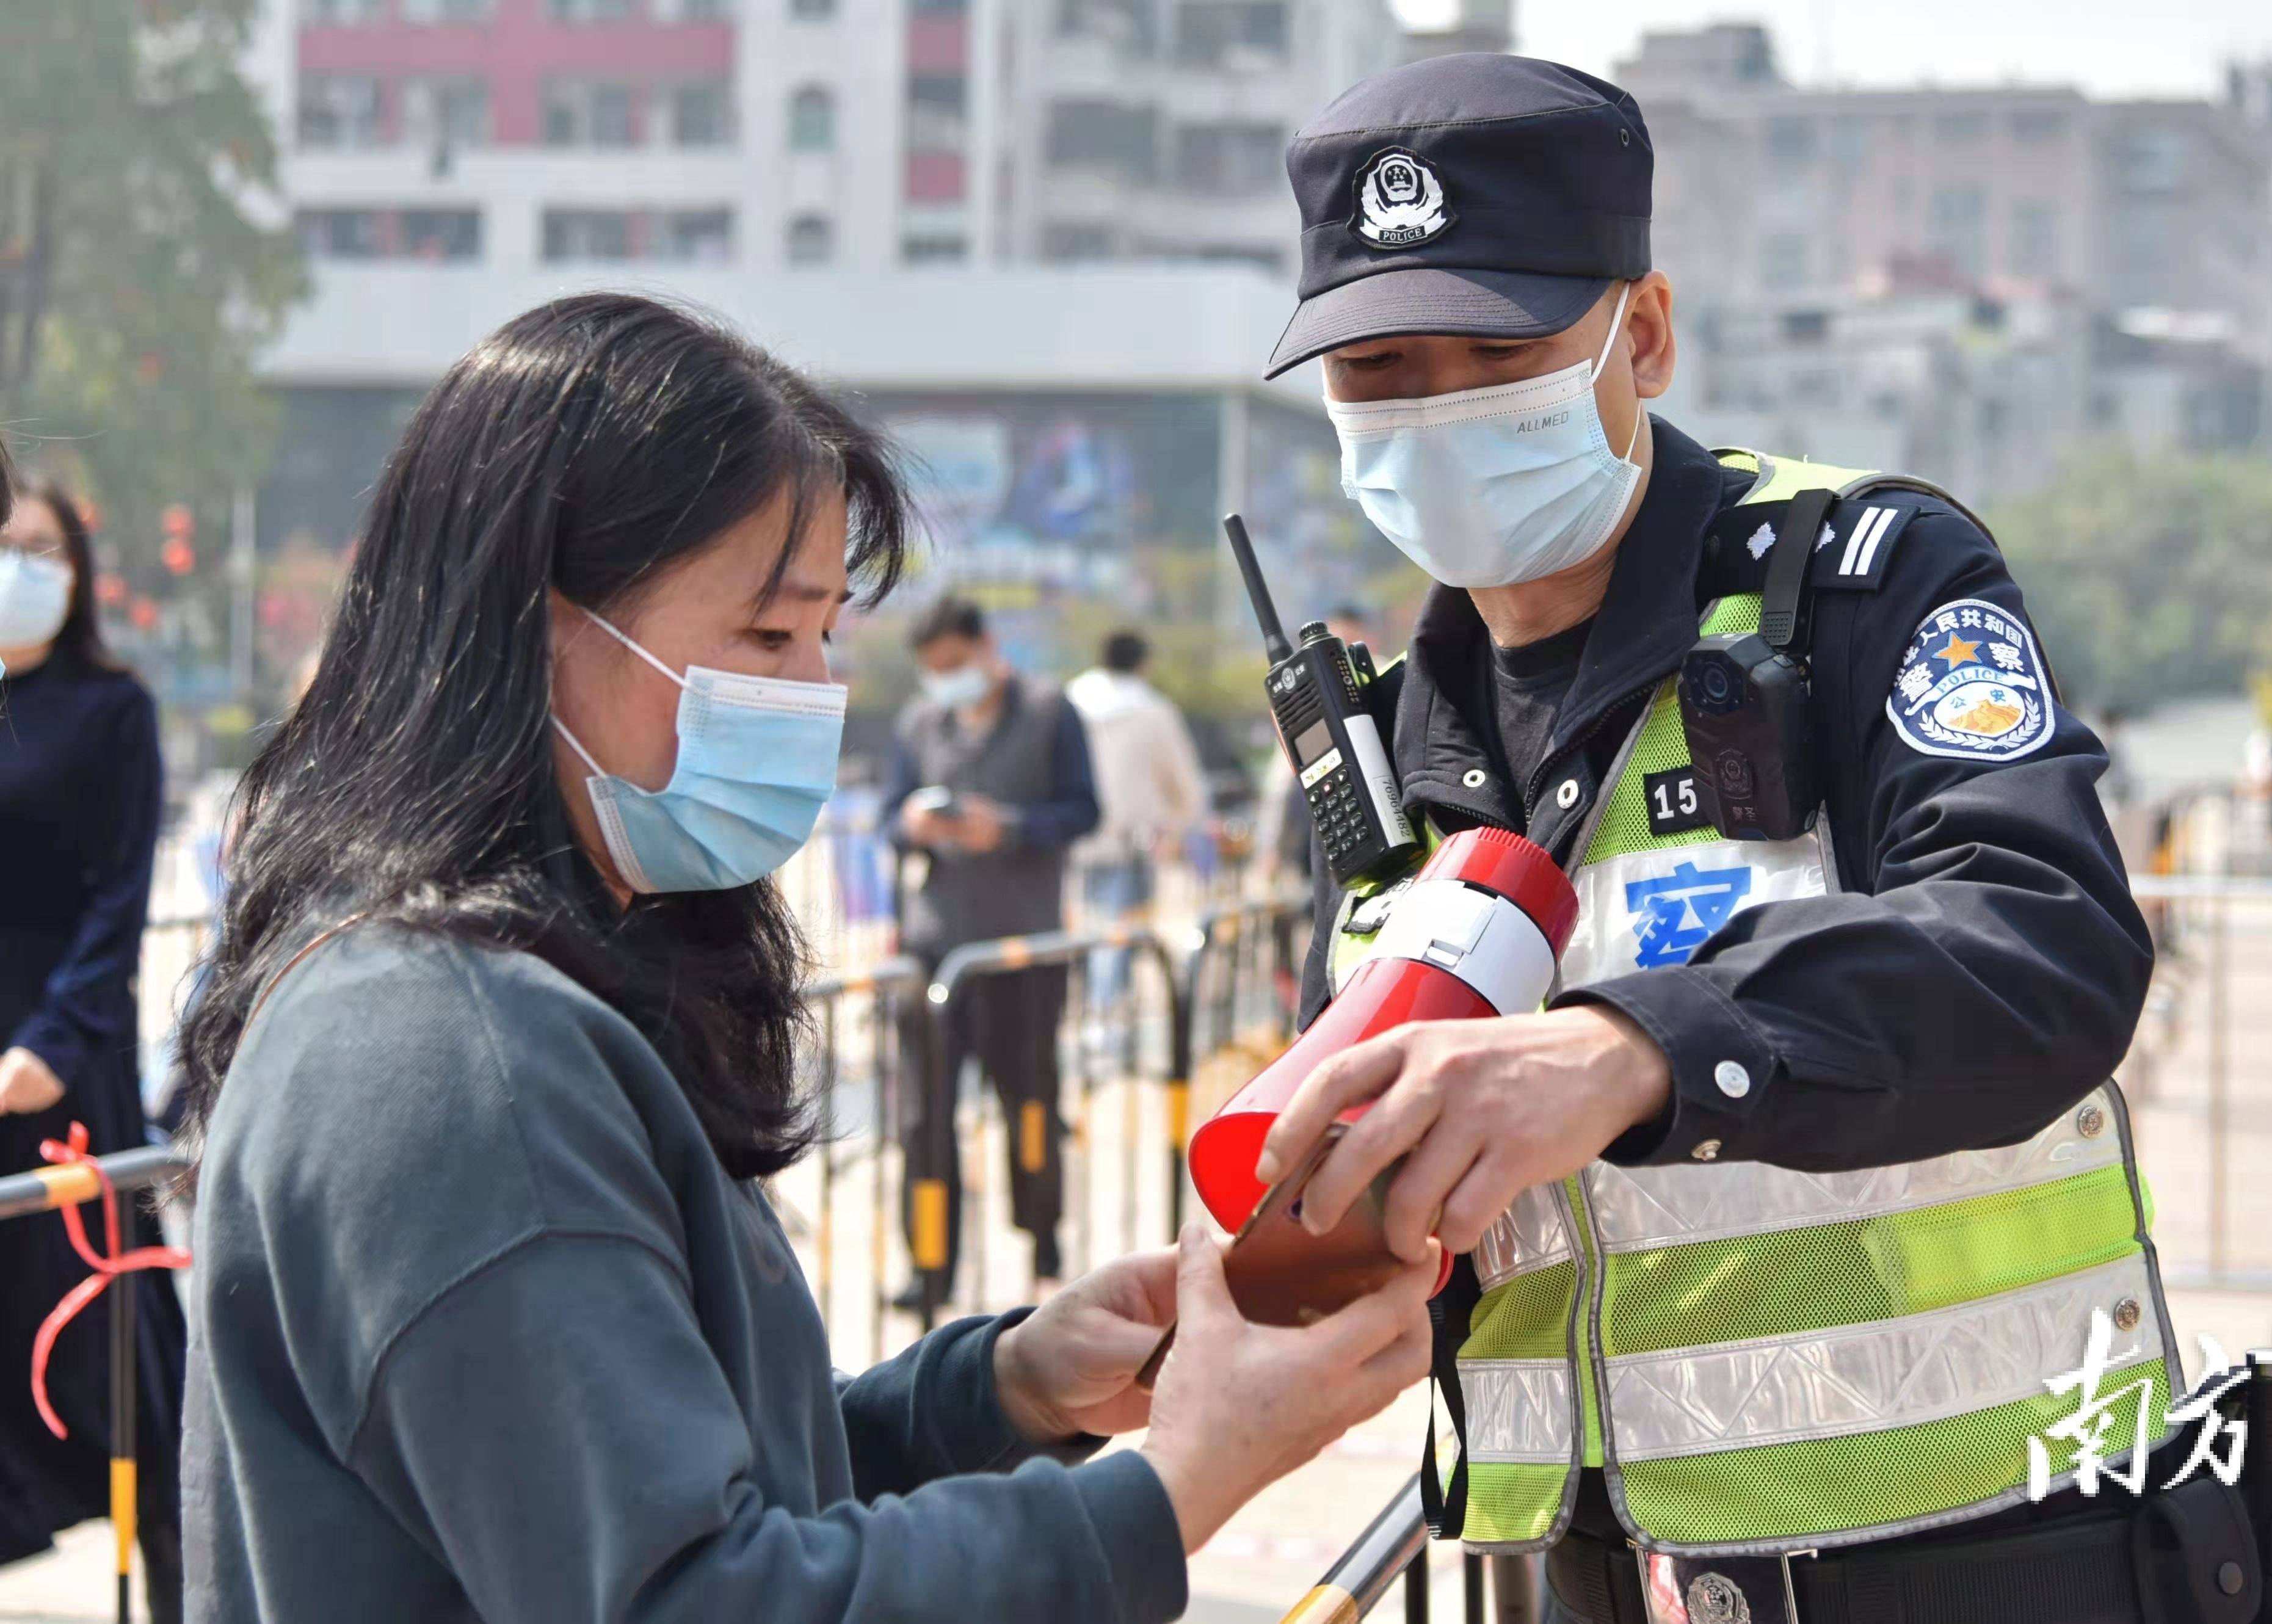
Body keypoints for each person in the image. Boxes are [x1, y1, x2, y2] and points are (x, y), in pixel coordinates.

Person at [175, 294, 1436, 1623]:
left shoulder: (529, 990)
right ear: (539, 629)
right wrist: (1179, 1479)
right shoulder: (450, 1056)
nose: (812, 694)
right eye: (767, 637)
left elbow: (679, 1476)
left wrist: (998, 1389)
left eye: (827, 636)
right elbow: (697, 1596)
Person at [1246, 56, 2272, 1624]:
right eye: (1380, 370)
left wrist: (1633, 1050)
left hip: (1976, 1557)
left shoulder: (1866, 583)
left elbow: (2041, 945)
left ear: (1640, 335)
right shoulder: (1392, 746)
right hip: (1564, 1576)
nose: (1437, 408)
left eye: (1496, 349)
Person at [0, 480, 185, 1619]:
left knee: (113, 1367)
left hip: (65, 1066)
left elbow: (117, 905)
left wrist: (53, 1043)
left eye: (40, 548)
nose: (21, 564)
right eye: (3, 544)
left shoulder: (115, 710)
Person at [884, 598, 1100, 1303]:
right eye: (934, 670)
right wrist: (915, 824)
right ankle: (928, 1264)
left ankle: (1042, 1245)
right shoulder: (918, 723)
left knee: (1030, 1101)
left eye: (955, 664)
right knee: (923, 1114)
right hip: (935, 949)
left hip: (1022, 950)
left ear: (985, 647)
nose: (946, 680)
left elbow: (1082, 809)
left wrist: (1005, 828)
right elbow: (889, 817)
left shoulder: (1048, 711)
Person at [1066, 629, 1208, 1010]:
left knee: (1082, 936)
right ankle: (1107, 1023)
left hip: (1073, 842)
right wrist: (1179, 826)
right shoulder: (1152, 710)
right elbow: (1185, 785)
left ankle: (1089, 1019)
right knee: (1121, 935)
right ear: (1142, 663)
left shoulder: (1071, 702)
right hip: (1132, 842)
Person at [1251, 606, 1376, 893]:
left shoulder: (1377, 669)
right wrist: (1271, 847)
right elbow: (1281, 783)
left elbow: (1279, 785)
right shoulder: (1302, 697)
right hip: (1326, 828)